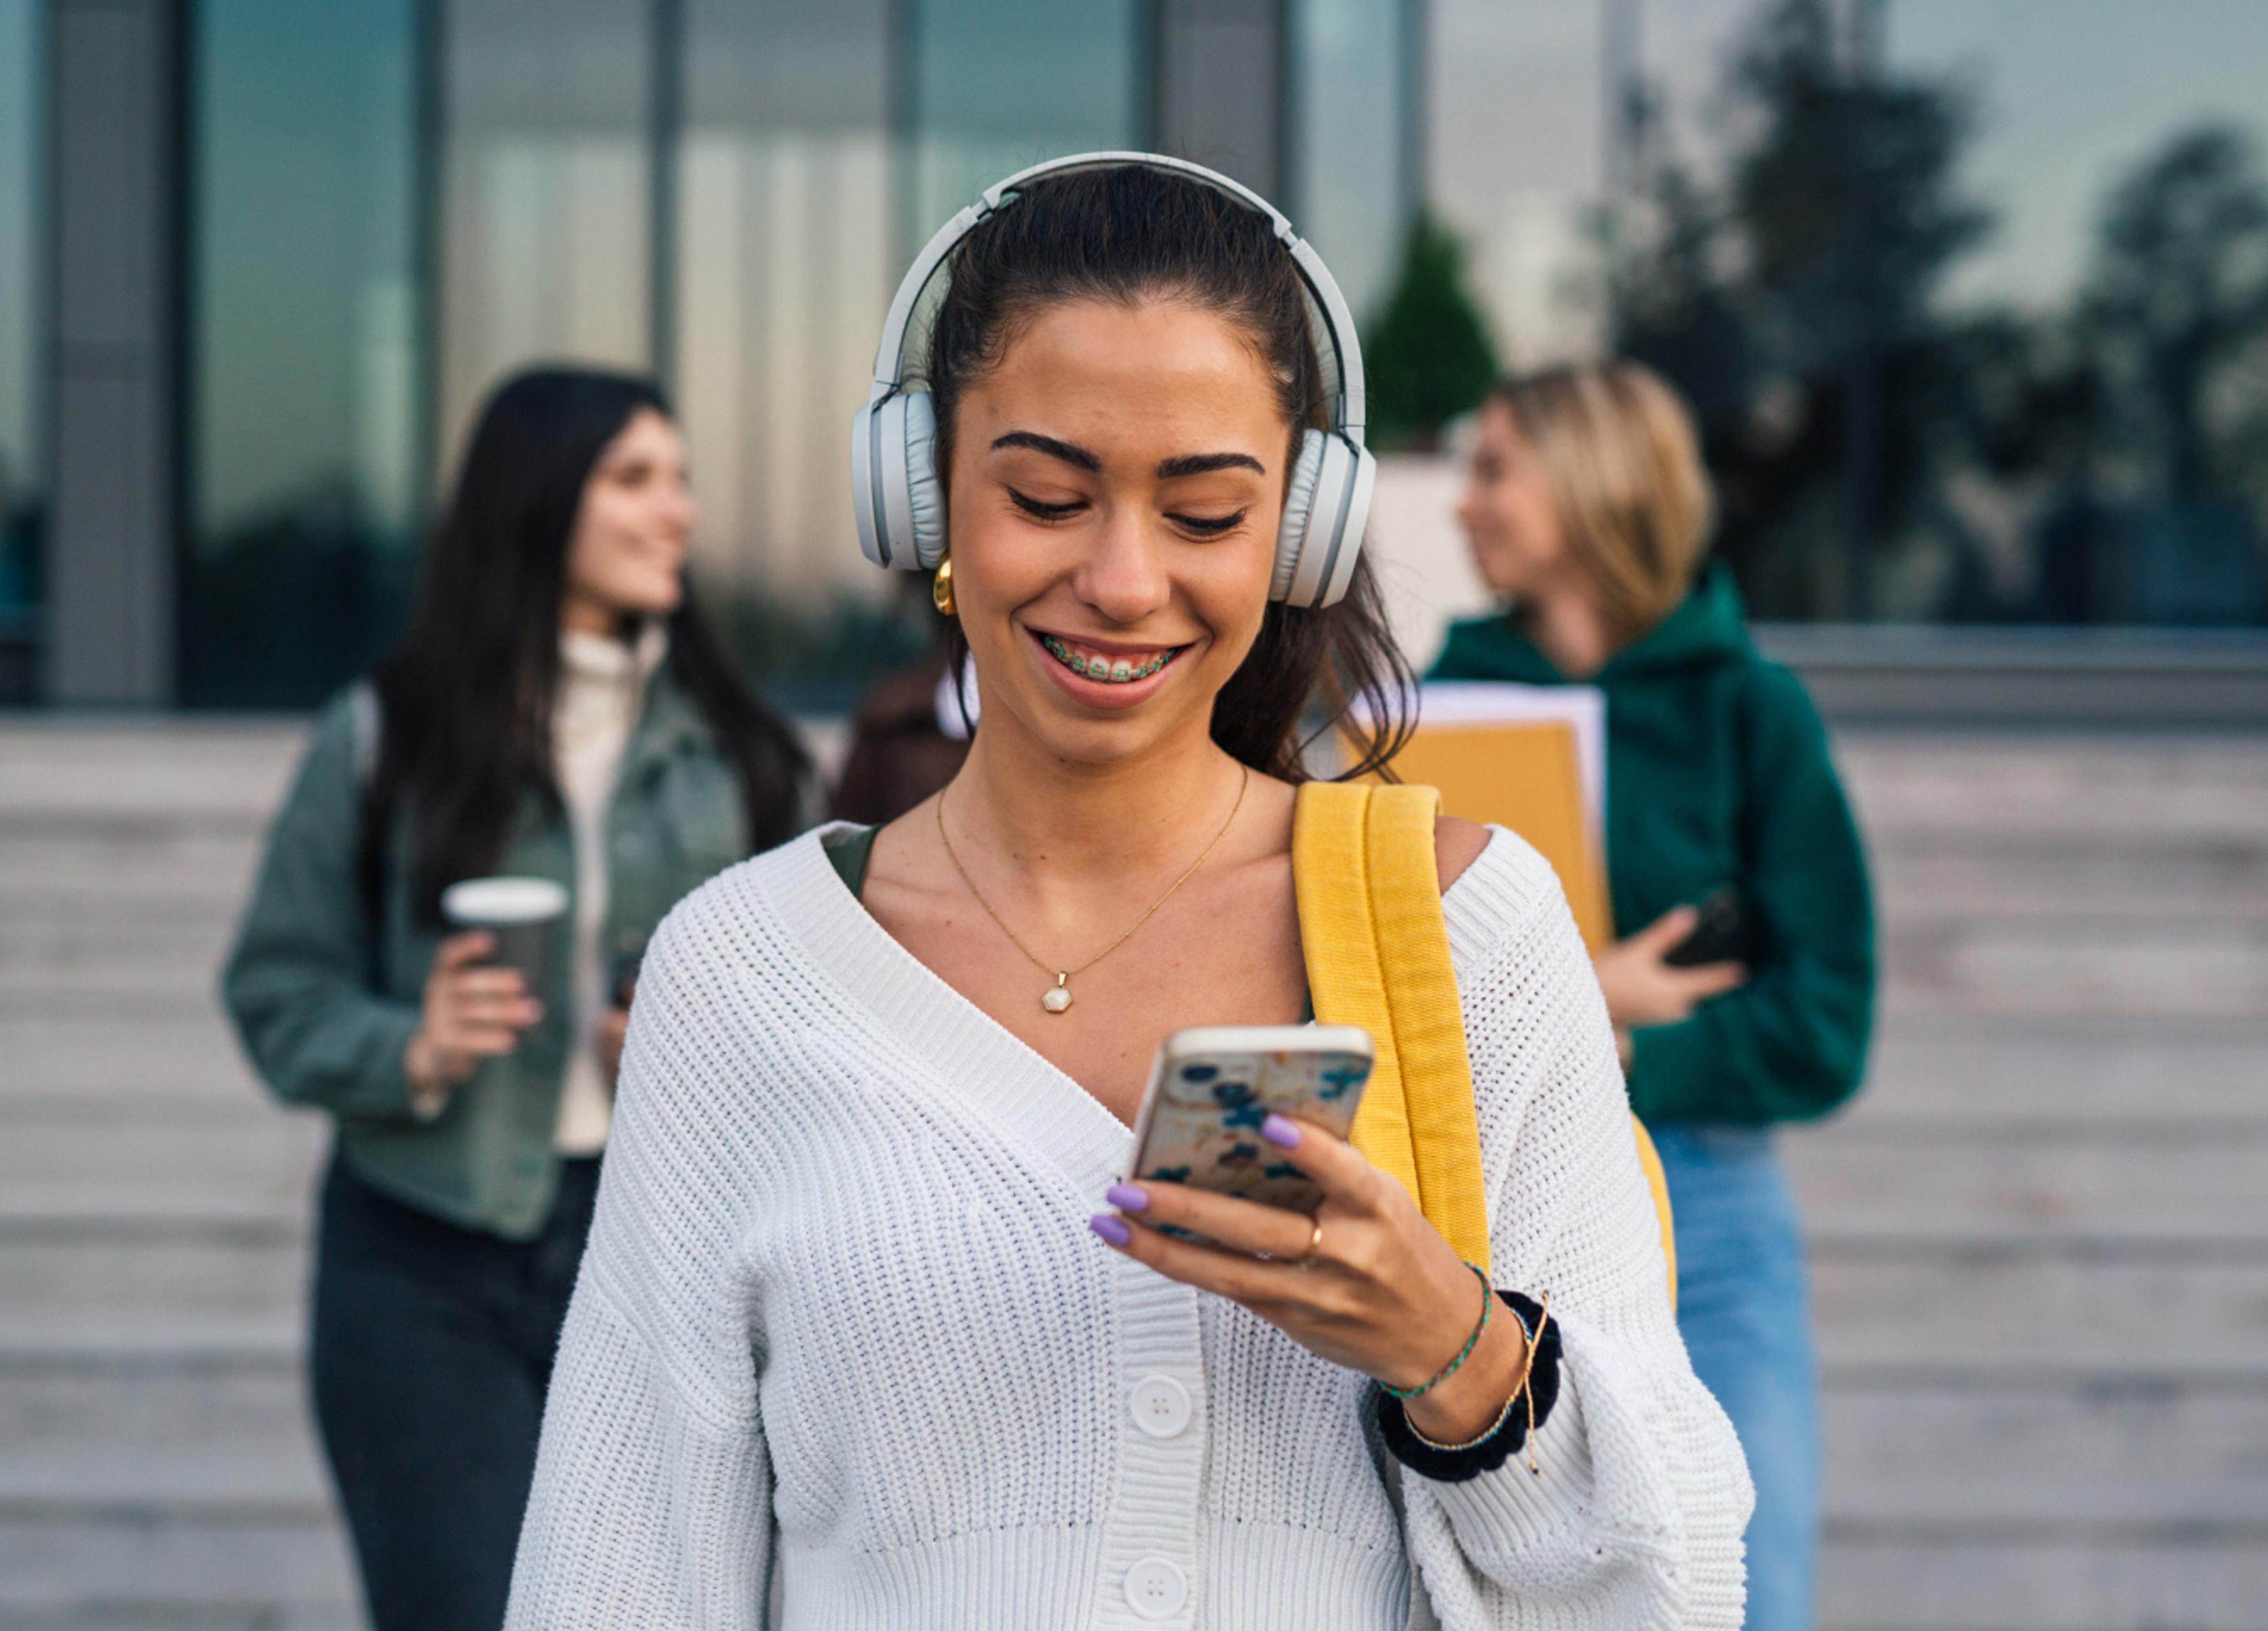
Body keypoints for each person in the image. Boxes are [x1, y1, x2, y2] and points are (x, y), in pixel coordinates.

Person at [508, 157, 1750, 1628]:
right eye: (1046, 495)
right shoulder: (741, 973)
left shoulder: (1466, 929)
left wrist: (1461, 1352)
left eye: (1208, 515)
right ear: (922, 499)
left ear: (1300, 532)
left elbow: (1675, 1584)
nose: (1122, 577)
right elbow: (623, 1573)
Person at [220, 367, 810, 1630]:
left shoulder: (742, 748)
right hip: (424, 1255)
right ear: (541, 502)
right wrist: (413, 1045)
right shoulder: (384, 733)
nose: (679, 514)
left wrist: (699, 1033)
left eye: (683, 480)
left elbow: (822, 1001)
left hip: (670, 1245)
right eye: (635, 479)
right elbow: (274, 986)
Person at [1430, 361, 1877, 1631]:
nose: (1465, 503)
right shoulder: (1428, 705)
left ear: (1589, 481)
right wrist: (1591, 998)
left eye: (1494, 468)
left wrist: (1616, 1044)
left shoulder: (1755, 715)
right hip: (1501, 1196)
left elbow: (1827, 1017)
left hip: (1713, 1209)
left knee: (1746, 1590)